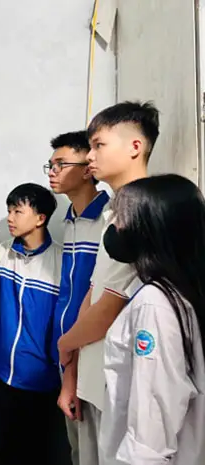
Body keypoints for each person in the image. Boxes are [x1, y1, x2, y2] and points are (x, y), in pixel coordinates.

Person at [56, 101, 160, 465]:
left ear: (135, 147)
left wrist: (65, 343)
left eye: (99, 145)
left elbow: (109, 307)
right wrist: (72, 370)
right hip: (92, 378)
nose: (90, 156)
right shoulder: (113, 211)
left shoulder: (143, 212)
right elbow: (94, 289)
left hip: (121, 387)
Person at [99, 174, 205, 465]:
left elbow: (152, 423)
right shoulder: (179, 291)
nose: (113, 226)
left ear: (149, 227)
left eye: (120, 217)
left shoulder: (155, 303)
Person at [0, 183, 67, 465]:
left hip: (42, 378)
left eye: (17, 211)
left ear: (40, 218)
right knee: (5, 450)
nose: (9, 218)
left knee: (43, 453)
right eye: (9, 211)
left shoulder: (61, 262)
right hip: (0, 372)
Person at [46, 130, 110, 464]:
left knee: (98, 449)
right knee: (78, 449)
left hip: (93, 349)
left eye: (61, 164)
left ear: (87, 168)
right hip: (67, 347)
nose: (52, 172)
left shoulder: (108, 219)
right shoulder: (69, 220)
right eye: (50, 165)